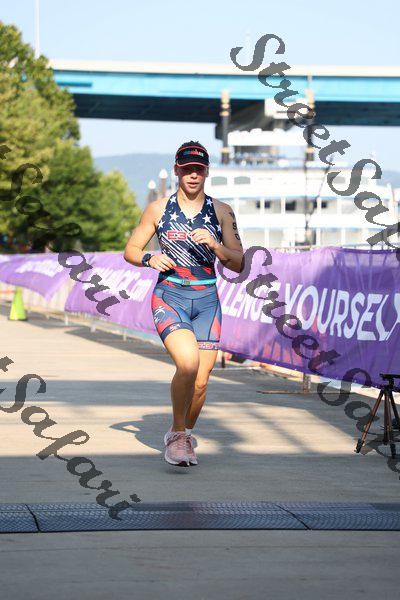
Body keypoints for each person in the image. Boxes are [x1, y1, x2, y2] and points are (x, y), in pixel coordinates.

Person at [124, 141, 244, 467]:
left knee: (201, 382)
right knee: (188, 364)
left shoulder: (222, 211)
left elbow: (238, 263)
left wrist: (216, 245)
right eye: (187, 169)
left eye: (198, 170)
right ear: (177, 170)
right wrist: (149, 258)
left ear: (206, 172)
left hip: (207, 300)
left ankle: (184, 433)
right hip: (170, 295)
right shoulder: (158, 209)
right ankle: (178, 436)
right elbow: (131, 250)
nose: (193, 175)